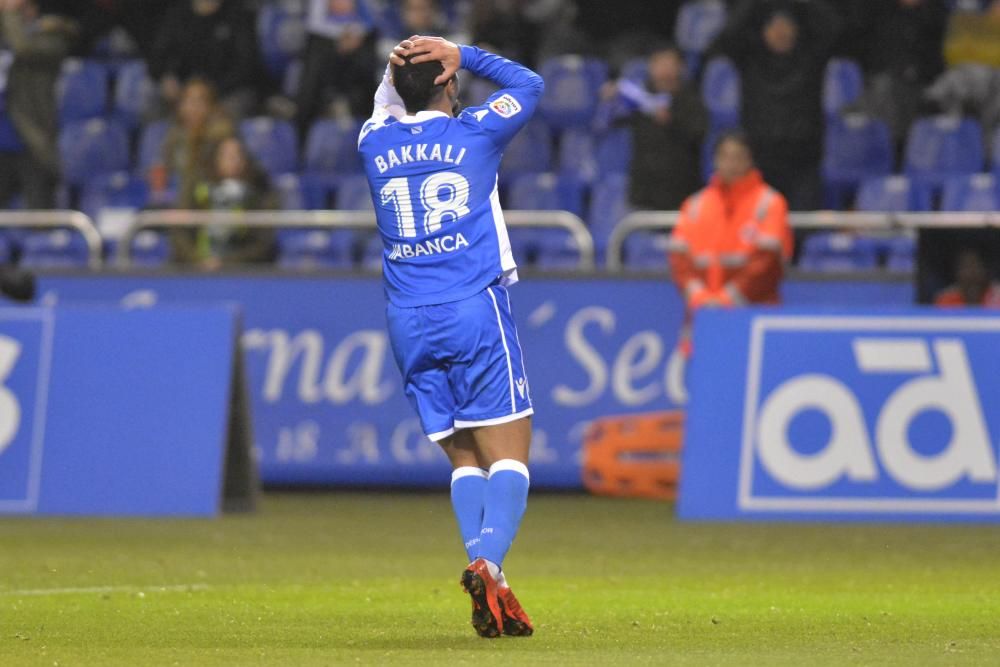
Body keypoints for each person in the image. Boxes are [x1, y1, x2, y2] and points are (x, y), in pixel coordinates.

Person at [358, 35, 542, 638]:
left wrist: (402, 65)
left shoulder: (373, 142)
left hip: (408, 319)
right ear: (449, 82)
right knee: (509, 455)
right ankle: (488, 564)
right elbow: (530, 85)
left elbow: (389, 99)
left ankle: (495, 584)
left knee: (464, 456)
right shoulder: (476, 132)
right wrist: (462, 49)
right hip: (472, 308)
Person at [707, 0, 842, 211]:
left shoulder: (812, 58)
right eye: (773, 26)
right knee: (756, 228)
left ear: (797, 30)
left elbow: (834, 29)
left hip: (803, 160)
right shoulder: (749, 59)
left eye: (787, 26)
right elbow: (729, 35)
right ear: (763, 31)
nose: (780, 32)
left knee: (802, 231)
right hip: (759, 159)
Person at [668, 131, 793, 337]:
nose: (731, 164)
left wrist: (729, 299)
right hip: (703, 318)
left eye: (738, 157)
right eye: (725, 157)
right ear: (715, 160)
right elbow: (680, 262)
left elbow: (768, 263)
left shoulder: (770, 203)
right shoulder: (695, 205)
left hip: (755, 319)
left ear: (750, 160)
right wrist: (699, 297)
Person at [597, 45, 708, 210]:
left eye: (670, 64)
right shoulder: (639, 98)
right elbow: (607, 123)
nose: (665, 71)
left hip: (681, 193)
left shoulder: (692, 100)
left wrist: (671, 120)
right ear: (650, 67)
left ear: (681, 67)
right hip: (643, 193)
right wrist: (610, 99)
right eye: (659, 64)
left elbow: (699, 133)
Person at [0, 0, 77, 210]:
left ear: (34, 9)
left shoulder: (52, 37)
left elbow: (23, 47)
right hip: (2, 142)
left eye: (21, 7)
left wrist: (9, 12)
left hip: (31, 140)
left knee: (39, 219)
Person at [149, 0, 262, 119]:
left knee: (226, 113)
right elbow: (158, 55)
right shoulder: (178, 13)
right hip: (185, 90)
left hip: (227, 90)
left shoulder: (239, 13)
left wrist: (210, 93)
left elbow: (246, 65)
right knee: (152, 103)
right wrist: (166, 76)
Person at [181, 136, 278, 270]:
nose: (234, 161)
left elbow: (262, 243)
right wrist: (197, 259)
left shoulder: (259, 191)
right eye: (227, 155)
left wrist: (226, 262)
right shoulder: (197, 187)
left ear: (245, 160)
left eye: (238, 155)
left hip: (242, 270)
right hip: (196, 268)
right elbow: (180, 232)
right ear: (216, 159)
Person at [294, 0, 378, 136]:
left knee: (369, 66)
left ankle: (373, 131)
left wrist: (355, 33)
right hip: (325, 40)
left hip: (358, 39)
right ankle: (303, 136)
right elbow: (314, 23)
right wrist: (341, 35)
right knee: (313, 68)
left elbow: (371, 19)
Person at [934, 249, 1000, 307]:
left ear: (985, 270)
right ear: (957, 273)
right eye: (966, 268)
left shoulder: (997, 296)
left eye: (975, 267)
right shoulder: (946, 299)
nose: (971, 274)